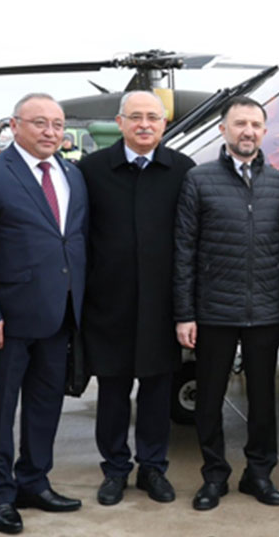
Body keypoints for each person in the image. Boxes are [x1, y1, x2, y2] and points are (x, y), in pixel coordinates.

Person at [0, 93, 89, 533]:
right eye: (39, 123)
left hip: (59, 314)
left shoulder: (72, 173)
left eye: (57, 123)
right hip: (6, 320)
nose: (51, 132)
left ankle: (34, 480)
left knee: (45, 404)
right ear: (14, 126)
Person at [174, 96, 279, 511]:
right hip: (213, 312)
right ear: (223, 129)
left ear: (264, 131)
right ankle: (214, 475)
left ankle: (258, 474)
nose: (248, 131)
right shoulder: (199, 180)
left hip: (264, 310)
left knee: (263, 400)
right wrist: (184, 313)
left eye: (256, 125)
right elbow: (184, 251)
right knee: (209, 399)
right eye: (240, 123)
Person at [78, 91, 194, 507]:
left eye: (153, 118)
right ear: (120, 121)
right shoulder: (91, 170)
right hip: (108, 303)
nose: (145, 124)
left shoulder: (182, 169)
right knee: (112, 391)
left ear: (164, 125)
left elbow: (191, 240)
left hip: (163, 305)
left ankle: (152, 468)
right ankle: (114, 469)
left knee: (157, 390)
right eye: (136, 117)